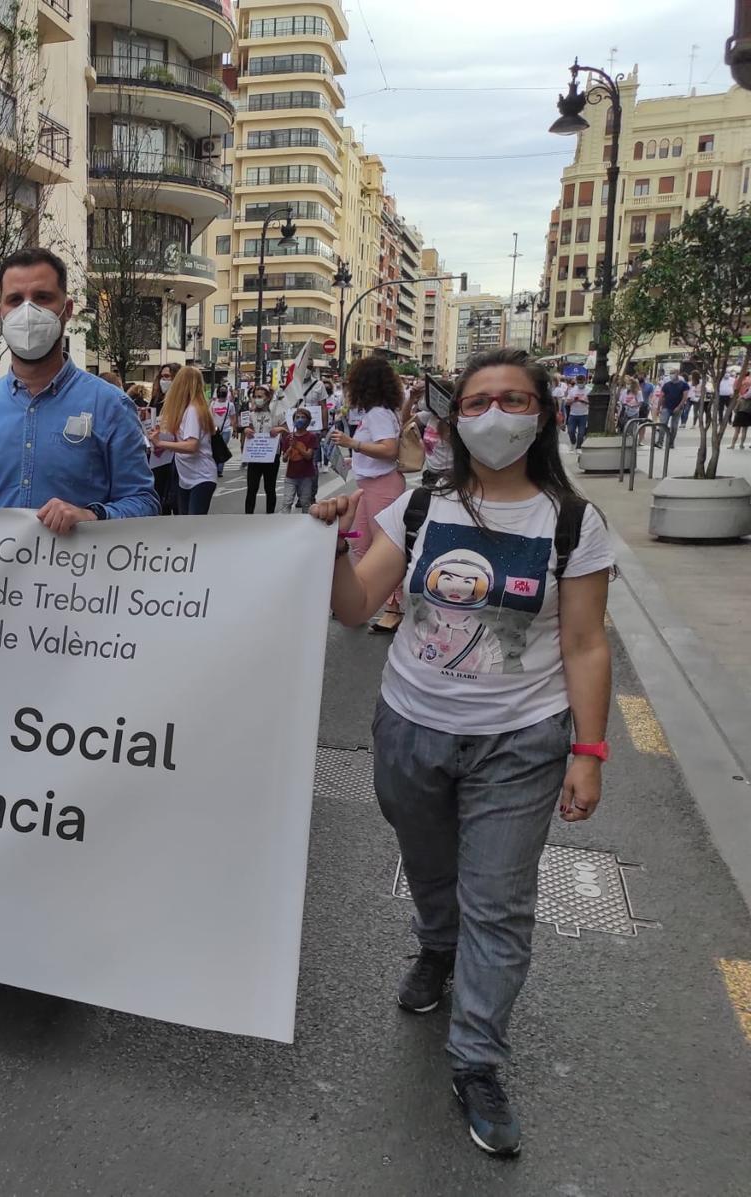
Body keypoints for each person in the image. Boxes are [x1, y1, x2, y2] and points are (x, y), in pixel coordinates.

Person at [309, 347, 614, 1158]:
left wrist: (588, 750)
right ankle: (437, 941)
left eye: (514, 399)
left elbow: (586, 643)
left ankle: (477, 1058)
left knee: (500, 901)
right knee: (430, 865)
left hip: (522, 741)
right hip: (410, 728)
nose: (495, 415)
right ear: (455, 417)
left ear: (542, 416)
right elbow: (355, 607)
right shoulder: (419, 507)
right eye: (478, 401)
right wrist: (333, 544)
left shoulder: (572, 522)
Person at [0, 247, 158, 532]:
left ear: (67, 310)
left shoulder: (110, 405)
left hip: (80, 562)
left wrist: (92, 515)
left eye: (42, 298)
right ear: (0, 312)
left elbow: (144, 501)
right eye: (15, 300)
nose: (28, 311)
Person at [331, 356, 405, 632]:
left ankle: (393, 608)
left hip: (381, 486)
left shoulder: (377, 414)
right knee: (359, 543)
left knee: (386, 547)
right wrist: (356, 458)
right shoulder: (379, 412)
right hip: (370, 484)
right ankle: (362, 600)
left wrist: (352, 443)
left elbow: (389, 450)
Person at [155, 365, 218, 515]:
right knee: (186, 522)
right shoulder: (191, 409)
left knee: (192, 524)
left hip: (200, 477)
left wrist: (160, 442)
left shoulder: (192, 410)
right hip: (188, 477)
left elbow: (191, 445)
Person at [239, 385, 286, 514]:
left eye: (260, 396)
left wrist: (279, 429)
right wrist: (246, 430)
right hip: (255, 455)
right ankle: (248, 515)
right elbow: (244, 428)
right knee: (252, 488)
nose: (257, 399)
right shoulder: (251, 415)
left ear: (268, 397)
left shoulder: (277, 414)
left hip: (271, 455)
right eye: (255, 396)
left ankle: (269, 515)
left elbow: (287, 430)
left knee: (269, 488)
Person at [150, 363, 179, 514]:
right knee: (160, 497)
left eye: (167, 377)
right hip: (158, 455)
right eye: (162, 377)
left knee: (176, 500)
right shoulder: (156, 400)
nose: (164, 380)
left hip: (175, 455)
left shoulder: (181, 402)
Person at [280, 406, 320, 512]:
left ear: (308, 421)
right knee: (287, 502)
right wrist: (289, 449)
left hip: (306, 476)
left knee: (305, 503)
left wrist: (297, 445)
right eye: (297, 417)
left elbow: (308, 456)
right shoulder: (289, 438)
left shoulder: (311, 437)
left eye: (303, 417)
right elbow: (284, 459)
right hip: (291, 476)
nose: (300, 419)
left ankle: (306, 521)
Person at [658, 371, 690, 448]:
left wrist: (679, 407)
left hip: (678, 408)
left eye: (673, 374)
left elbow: (685, 397)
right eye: (671, 374)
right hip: (666, 407)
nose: (671, 376)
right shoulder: (667, 385)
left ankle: (671, 443)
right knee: (663, 424)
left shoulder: (684, 385)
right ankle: (660, 442)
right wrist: (659, 407)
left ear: (677, 374)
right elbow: (661, 396)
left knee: (674, 426)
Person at [209, 383, 234, 478]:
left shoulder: (230, 405)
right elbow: (210, 416)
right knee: (215, 448)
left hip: (226, 429)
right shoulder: (213, 404)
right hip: (215, 430)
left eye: (224, 390)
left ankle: (219, 469)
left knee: (222, 448)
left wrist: (235, 429)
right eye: (221, 390)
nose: (222, 392)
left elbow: (233, 417)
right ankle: (215, 467)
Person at [564, 378, 590, 448]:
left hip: (584, 414)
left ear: (585, 382)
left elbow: (591, 402)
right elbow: (567, 403)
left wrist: (584, 401)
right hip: (573, 414)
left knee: (581, 433)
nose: (580, 384)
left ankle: (578, 447)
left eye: (581, 382)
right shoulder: (572, 390)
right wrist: (573, 400)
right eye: (579, 382)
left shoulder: (589, 390)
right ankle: (573, 441)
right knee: (570, 431)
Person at [731, 371, 751, 450]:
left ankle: (733, 445)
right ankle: (741, 445)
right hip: (747, 414)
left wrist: (735, 411)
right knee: (744, 430)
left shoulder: (741, 399)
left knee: (737, 431)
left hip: (739, 414)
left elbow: (735, 409)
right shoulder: (750, 401)